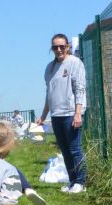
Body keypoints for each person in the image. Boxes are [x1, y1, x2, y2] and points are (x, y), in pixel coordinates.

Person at [36, 33, 87, 194]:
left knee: (75, 149)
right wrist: (43, 116)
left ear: (68, 47)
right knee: (65, 151)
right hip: (56, 116)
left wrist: (78, 113)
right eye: (55, 47)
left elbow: (80, 89)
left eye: (62, 46)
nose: (59, 50)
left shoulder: (75, 63)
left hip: (71, 113)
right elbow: (49, 94)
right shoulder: (49, 68)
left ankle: (81, 182)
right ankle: (72, 181)